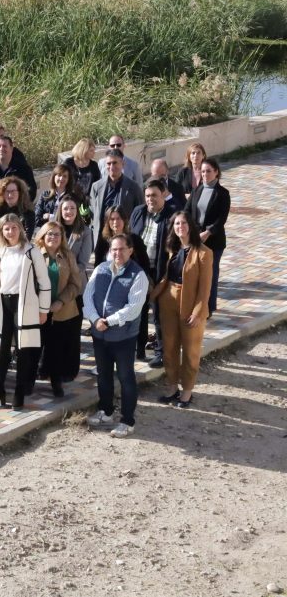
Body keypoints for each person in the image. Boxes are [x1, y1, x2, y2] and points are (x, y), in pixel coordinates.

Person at [84, 233, 149, 438]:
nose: (117, 253)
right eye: (114, 249)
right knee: (103, 375)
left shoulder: (138, 275)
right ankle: (106, 411)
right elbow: (88, 296)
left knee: (125, 377)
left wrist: (109, 321)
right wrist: (95, 319)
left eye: (122, 249)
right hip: (100, 334)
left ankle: (127, 420)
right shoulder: (100, 269)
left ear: (130, 250)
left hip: (123, 337)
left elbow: (134, 308)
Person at [0, 213, 51, 409]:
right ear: (1, 231)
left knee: (23, 351)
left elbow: (44, 281)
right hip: (3, 305)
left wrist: (43, 309)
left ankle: (19, 393)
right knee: (2, 352)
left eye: (14, 228)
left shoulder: (31, 251)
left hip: (24, 305)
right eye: (6, 228)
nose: (10, 232)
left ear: (20, 229)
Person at [152, 212, 213, 409]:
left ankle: (187, 391)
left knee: (190, 350)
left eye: (184, 223)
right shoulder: (174, 248)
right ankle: (172, 387)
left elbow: (205, 289)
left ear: (191, 226)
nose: (180, 227)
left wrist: (198, 311)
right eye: (177, 223)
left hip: (190, 303)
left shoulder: (204, 253)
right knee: (169, 347)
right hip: (168, 299)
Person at [34, 221, 84, 395]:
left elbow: (75, 284)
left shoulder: (67, 255)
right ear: (42, 236)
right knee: (34, 347)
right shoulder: (34, 255)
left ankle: (56, 382)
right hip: (37, 310)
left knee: (56, 348)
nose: (53, 237)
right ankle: (28, 381)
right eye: (49, 234)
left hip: (61, 311)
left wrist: (61, 301)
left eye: (57, 234)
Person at [130, 179, 176, 367]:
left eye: (154, 195)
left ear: (163, 194)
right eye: (147, 196)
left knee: (159, 313)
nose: (150, 199)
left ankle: (161, 352)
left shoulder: (171, 216)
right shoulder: (138, 212)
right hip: (139, 269)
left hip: (160, 270)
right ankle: (139, 348)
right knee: (138, 310)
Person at [186, 157, 230, 315]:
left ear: (216, 172)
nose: (205, 174)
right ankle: (196, 305)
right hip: (195, 238)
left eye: (208, 171)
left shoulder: (223, 193)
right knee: (195, 273)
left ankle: (209, 307)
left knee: (210, 274)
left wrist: (208, 232)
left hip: (214, 241)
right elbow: (187, 210)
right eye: (202, 171)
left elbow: (221, 219)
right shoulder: (198, 189)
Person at [88, 149, 145, 251]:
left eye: (115, 163)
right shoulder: (96, 187)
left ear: (123, 164)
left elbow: (140, 213)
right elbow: (93, 212)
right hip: (102, 241)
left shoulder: (133, 188)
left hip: (124, 242)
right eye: (108, 163)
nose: (111, 167)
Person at [93, 207, 150, 277]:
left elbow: (145, 264)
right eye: (112, 219)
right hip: (107, 279)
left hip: (131, 279)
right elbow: (98, 265)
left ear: (124, 220)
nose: (115, 222)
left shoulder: (135, 240)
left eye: (118, 218)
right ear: (107, 222)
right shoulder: (103, 241)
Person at [34, 164, 82, 228]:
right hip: (46, 232)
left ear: (68, 179)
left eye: (65, 176)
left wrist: (51, 217)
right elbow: (36, 219)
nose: (61, 178)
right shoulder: (45, 195)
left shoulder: (73, 197)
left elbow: (73, 219)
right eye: (59, 175)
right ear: (54, 177)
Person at [58, 197, 93, 277]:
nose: (69, 211)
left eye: (72, 208)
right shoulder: (53, 230)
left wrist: (66, 273)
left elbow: (83, 264)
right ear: (60, 211)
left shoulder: (86, 232)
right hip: (55, 278)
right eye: (65, 208)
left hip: (76, 279)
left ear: (77, 211)